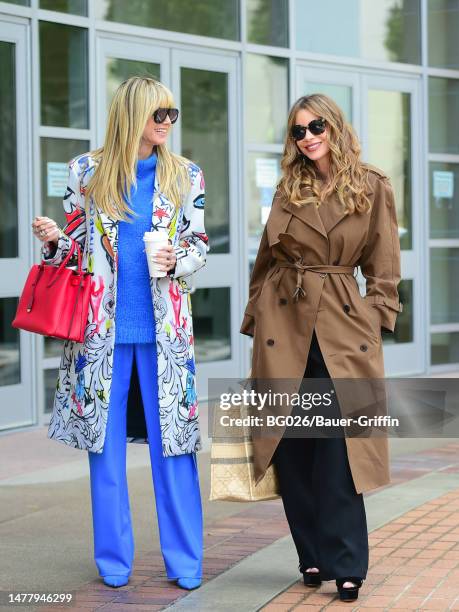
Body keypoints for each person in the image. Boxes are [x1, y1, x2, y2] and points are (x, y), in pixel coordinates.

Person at [31, 76, 208, 591]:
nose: (168, 124)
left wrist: (179, 259)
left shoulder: (186, 175)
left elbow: (199, 247)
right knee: (104, 453)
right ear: (133, 114)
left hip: (166, 337)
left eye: (172, 114)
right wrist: (55, 240)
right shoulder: (86, 172)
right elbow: (75, 252)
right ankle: (113, 561)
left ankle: (185, 561)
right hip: (99, 337)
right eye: (159, 115)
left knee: (173, 450)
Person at [240, 93, 402, 602]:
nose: (307, 137)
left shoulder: (371, 184)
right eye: (297, 132)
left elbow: (385, 266)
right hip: (285, 325)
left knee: (339, 452)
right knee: (293, 450)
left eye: (316, 127)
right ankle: (310, 556)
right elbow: (266, 259)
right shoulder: (289, 188)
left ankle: (347, 563)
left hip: (341, 327)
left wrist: (372, 321)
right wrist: (256, 315)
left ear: (334, 127)